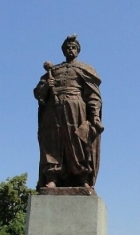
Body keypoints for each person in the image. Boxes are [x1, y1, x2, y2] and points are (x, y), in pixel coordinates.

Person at [34, 34, 104, 190]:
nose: (70, 50)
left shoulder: (85, 69)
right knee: (52, 142)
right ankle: (52, 177)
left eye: (73, 47)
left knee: (78, 141)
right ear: (63, 51)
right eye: (67, 47)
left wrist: (95, 116)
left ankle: (82, 177)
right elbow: (38, 93)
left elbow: (93, 95)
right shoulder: (54, 70)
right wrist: (46, 86)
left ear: (78, 51)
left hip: (76, 109)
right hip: (54, 110)